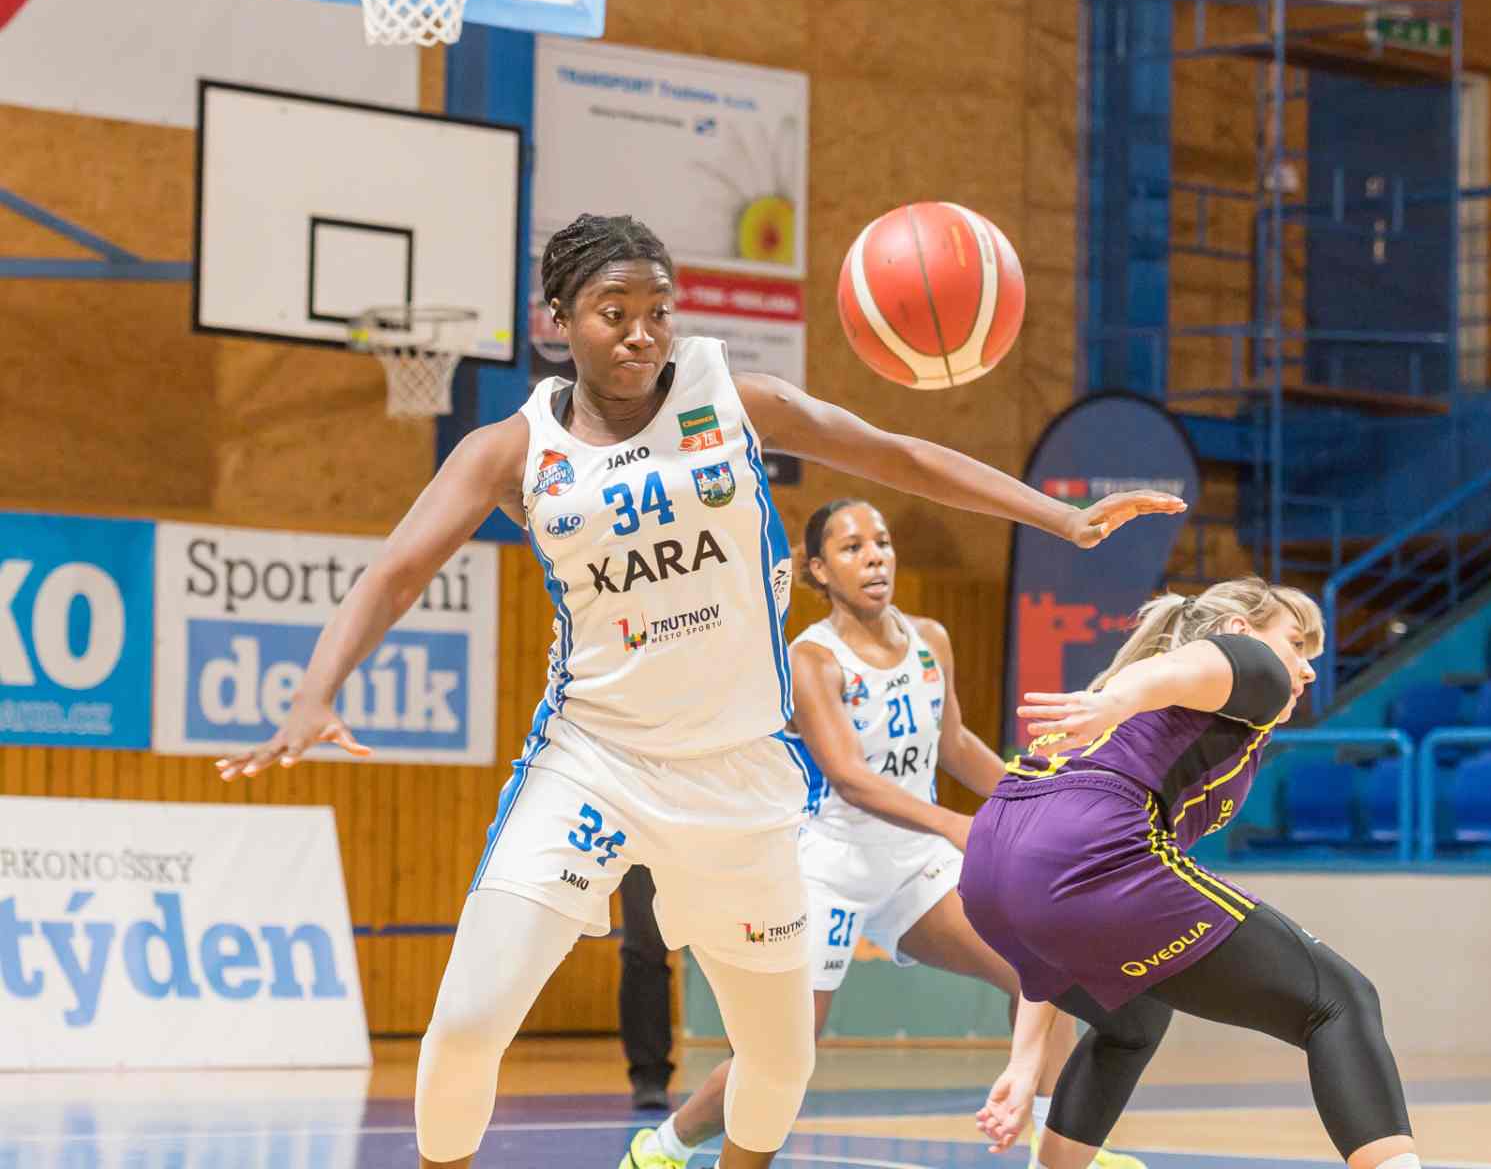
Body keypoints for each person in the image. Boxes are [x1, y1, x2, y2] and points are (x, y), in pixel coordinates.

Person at [212, 212, 1183, 1169]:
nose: (642, 333)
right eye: (613, 312)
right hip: (592, 762)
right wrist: (314, 693)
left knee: (781, 1059)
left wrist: (1063, 520)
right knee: (466, 1026)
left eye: (658, 311)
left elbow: (899, 454)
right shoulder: (510, 451)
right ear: (559, 320)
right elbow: (395, 573)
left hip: (739, 776)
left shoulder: (731, 398)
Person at [621, 499, 1143, 1169]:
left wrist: (1038, 798)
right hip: (826, 868)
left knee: (1038, 970)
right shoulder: (812, 658)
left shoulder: (931, 639)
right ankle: (662, 1148)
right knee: (781, 1056)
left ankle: (1059, 1150)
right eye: (852, 547)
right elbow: (850, 778)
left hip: (913, 864)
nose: (874, 558)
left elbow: (954, 744)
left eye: (883, 543)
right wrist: (957, 824)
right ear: (819, 569)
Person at [959, 579, 1424, 1169]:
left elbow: (1053, 919)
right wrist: (1116, 698)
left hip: (993, 868)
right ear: (1239, 632)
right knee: (1338, 1000)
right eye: (1296, 643)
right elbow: (1188, 664)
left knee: (1135, 1014)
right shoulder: (1244, 672)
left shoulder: (1155, 722)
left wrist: (1025, 1063)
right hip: (1080, 849)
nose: (1306, 670)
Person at [617, 863, 674, 1111]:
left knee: (739, 943)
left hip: (721, 840)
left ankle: (745, 1068)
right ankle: (649, 1077)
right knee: (644, 949)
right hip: (643, 843)